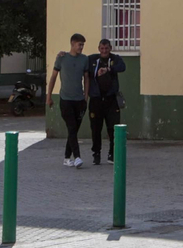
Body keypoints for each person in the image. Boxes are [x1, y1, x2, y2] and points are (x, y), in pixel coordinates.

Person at [48, 33, 90, 168]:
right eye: (79, 44)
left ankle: (67, 158)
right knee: (71, 127)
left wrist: (86, 96)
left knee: (74, 130)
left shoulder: (84, 60)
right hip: (65, 99)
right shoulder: (62, 58)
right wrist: (48, 96)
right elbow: (53, 77)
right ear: (72, 44)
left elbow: (87, 78)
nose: (81, 47)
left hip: (80, 100)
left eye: (83, 45)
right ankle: (77, 157)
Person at [86, 38, 127, 165]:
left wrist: (108, 69)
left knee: (113, 128)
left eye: (106, 48)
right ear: (99, 49)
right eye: (102, 48)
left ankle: (112, 153)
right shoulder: (92, 59)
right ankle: (96, 154)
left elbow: (122, 67)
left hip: (111, 100)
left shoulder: (115, 59)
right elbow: (77, 59)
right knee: (96, 129)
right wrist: (63, 55)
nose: (104, 51)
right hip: (96, 100)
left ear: (110, 49)